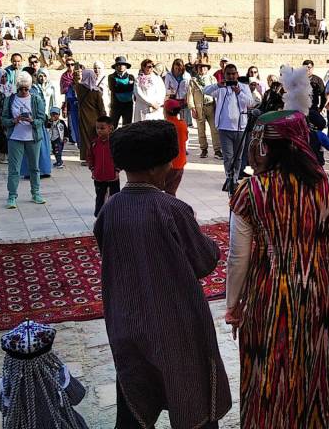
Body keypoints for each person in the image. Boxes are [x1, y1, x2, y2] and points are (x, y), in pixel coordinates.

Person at [225, 89, 329, 427]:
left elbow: (238, 257)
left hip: (267, 295)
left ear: (266, 147)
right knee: (316, 375)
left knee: (265, 376)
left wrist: (233, 304)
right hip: (320, 294)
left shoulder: (251, 191)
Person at [95, 120, 231, 428]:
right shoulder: (172, 209)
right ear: (158, 167)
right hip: (176, 324)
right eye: (170, 161)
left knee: (134, 396)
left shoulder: (110, 209)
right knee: (192, 395)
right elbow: (204, 261)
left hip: (127, 321)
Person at [0, 320, 88, 429]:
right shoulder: (58, 375)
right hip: (60, 424)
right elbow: (77, 396)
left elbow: (5, 409)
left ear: (12, 360)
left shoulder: (10, 384)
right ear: (48, 355)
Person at [204, 63, 257, 190]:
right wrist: (217, 85)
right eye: (229, 74)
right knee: (228, 157)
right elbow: (205, 91)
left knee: (238, 157)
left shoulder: (244, 87)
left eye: (233, 74)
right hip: (224, 127)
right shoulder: (221, 88)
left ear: (237, 74)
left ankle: (234, 179)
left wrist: (239, 93)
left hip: (240, 128)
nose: (231, 76)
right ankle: (229, 178)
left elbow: (251, 103)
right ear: (225, 75)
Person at [2, 72, 48, 209]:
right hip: (15, 137)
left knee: (34, 167)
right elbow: (4, 119)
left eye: (26, 89)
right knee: (14, 169)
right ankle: (12, 195)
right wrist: (13, 121)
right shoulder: (10, 99)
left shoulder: (36, 99)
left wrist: (32, 121)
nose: (23, 91)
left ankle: (36, 193)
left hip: (33, 137)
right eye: (20, 89)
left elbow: (42, 119)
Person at [75, 69, 107, 166]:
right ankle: (95, 158)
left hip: (83, 117)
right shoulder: (96, 92)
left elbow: (76, 82)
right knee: (95, 139)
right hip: (95, 119)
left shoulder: (79, 88)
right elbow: (101, 108)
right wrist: (105, 119)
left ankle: (88, 158)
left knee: (85, 139)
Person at [189, 62, 221, 159]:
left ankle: (217, 150)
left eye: (204, 67)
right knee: (201, 130)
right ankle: (204, 149)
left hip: (211, 106)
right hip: (199, 107)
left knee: (214, 129)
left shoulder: (212, 79)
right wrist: (192, 108)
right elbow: (190, 95)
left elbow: (217, 92)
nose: (202, 69)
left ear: (207, 69)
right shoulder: (193, 80)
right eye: (200, 67)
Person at [89, 116, 119, 216]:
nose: (99, 131)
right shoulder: (94, 143)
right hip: (98, 177)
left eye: (102, 128)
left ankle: (115, 215)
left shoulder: (115, 143)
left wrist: (117, 170)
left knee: (114, 197)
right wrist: (92, 169)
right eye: (97, 128)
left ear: (110, 128)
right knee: (100, 197)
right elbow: (90, 157)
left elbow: (120, 157)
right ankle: (99, 216)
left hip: (113, 177)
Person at [163, 100, 189, 196]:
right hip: (180, 163)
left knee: (163, 191)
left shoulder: (165, 125)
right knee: (171, 192)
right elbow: (185, 138)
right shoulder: (182, 124)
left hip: (168, 164)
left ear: (166, 111)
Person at [107, 56, 135, 129]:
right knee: (112, 126)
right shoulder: (111, 77)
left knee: (127, 127)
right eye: (118, 65)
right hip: (116, 105)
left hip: (128, 106)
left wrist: (120, 86)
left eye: (123, 64)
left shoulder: (131, 77)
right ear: (115, 67)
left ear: (126, 66)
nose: (121, 66)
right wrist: (128, 86)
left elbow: (133, 88)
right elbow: (114, 89)